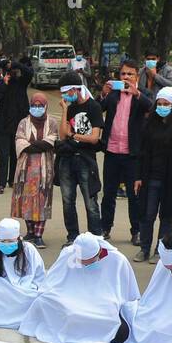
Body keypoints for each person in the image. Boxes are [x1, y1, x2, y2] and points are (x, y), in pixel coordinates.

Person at [19, 233, 138, 343]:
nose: (85, 266)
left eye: (89, 263)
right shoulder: (68, 254)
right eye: (82, 263)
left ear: (99, 253)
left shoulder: (117, 260)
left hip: (103, 305)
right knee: (45, 302)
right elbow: (52, 283)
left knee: (121, 332)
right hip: (72, 301)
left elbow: (128, 295)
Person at [133, 85, 172, 263]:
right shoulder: (149, 124)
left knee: (166, 216)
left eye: (166, 104)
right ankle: (144, 249)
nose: (162, 107)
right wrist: (138, 176)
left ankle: (161, 251)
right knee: (147, 215)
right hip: (150, 177)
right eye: (159, 103)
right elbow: (141, 152)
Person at [98, 59, 150, 246]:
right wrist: (103, 94)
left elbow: (151, 108)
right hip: (112, 150)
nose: (126, 77)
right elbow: (98, 110)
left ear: (137, 76)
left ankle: (136, 231)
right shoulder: (113, 94)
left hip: (132, 154)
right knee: (109, 193)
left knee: (134, 196)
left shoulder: (142, 93)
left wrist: (136, 94)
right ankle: (105, 228)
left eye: (130, 74)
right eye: (123, 74)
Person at [55, 73, 105, 245]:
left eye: (68, 92)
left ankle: (95, 238)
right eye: (64, 94)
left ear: (77, 89)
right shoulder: (70, 107)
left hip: (86, 160)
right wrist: (64, 110)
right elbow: (63, 136)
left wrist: (74, 135)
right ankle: (73, 237)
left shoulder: (94, 107)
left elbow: (94, 138)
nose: (66, 96)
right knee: (67, 200)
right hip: (67, 160)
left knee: (90, 201)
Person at [11, 92, 59, 248]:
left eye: (40, 106)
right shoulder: (23, 123)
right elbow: (19, 142)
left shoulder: (52, 123)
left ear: (46, 106)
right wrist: (39, 145)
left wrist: (31, 145)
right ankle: (30, 232)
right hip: (26, 169)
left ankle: (39, 235)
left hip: (45, 169)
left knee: (42, 201)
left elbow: (51, 142)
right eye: (34, 105)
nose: (37, 108)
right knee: (26, 201)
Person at [0, 55, 32, 194]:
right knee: (3, 156)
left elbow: (30, 72)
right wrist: (3, 83)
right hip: (2, 125)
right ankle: (1, 184)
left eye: (13, 71)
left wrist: (16, 64)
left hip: (18, 125)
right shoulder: (0, 84)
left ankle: (12, 180)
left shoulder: (21, 83)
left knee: (16, 154)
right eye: (9, 72)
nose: (11, 74)